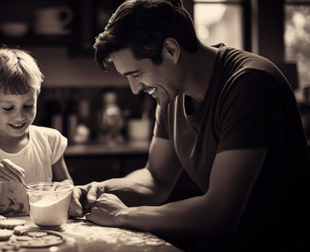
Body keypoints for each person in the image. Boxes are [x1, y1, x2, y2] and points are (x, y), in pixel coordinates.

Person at [68, 0, 310, 251]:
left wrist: (122, 215)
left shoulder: (250, 84)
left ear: (171, 50)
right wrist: (96, 190)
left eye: (137, 74)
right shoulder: (169, 92)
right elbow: (155, 180)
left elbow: (220, 212)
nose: (135, 89)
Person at [0, 47, 72, 218]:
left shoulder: (50, 141)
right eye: (8, 108)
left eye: (28, 105)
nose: (20, 115)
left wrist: (62, 192)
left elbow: (66, 183)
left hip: (41, 232)